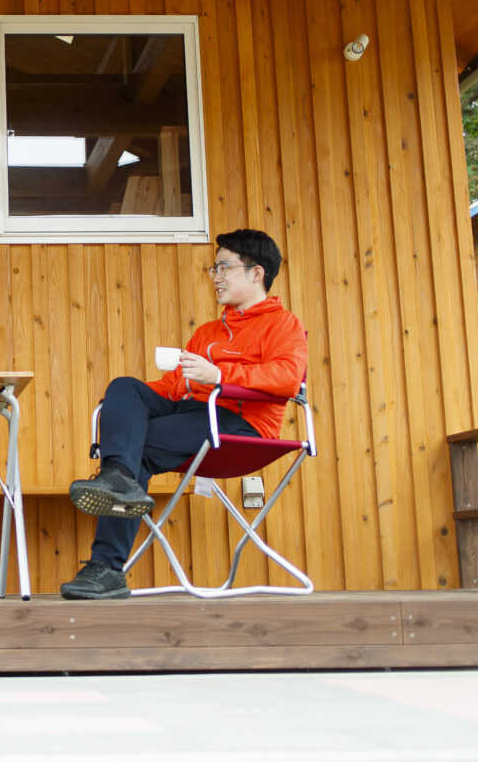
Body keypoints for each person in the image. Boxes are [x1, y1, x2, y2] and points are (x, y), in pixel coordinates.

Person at [60, 229, 307, 600]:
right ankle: (119, 484)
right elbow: (176, 385)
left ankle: (107, 567)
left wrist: (221, 376)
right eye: (214, 268)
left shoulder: (282, 323)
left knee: (133, 452)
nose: (217, 276)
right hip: (192, 413)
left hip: (240, 425)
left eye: (225, 266)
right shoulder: (208, 332)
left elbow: (288, 379)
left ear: (257, 273)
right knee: (124, 389)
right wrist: (121, 406)